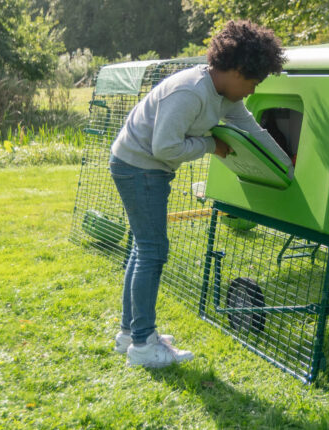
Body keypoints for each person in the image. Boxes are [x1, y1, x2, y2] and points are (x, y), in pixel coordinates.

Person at [109, 20, 288, 368]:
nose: (252, 90)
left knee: (143, 248)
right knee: (152, 251)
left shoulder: (222, 95)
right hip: (139, 167)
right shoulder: (191, 92)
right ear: (236, 70)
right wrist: (210, 145)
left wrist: (286, 167)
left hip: (140, 165)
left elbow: (250, 127)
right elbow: (164, 147)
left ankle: (131, 335)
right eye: (253, 81)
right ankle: (144, 347)